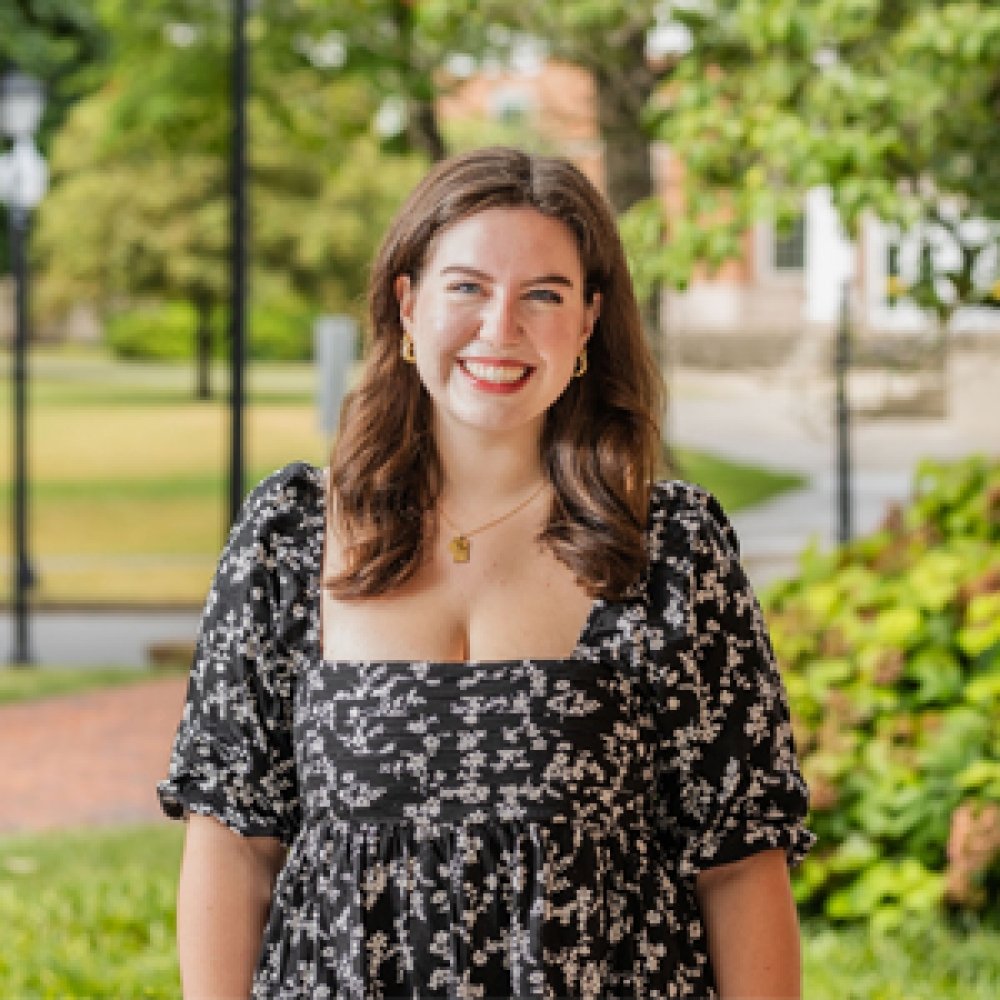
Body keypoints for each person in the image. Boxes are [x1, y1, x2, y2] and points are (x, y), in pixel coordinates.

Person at [158, 145, 813, 999]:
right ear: (407, 305)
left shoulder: (673, 551)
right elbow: (233, 844)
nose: (500, 328)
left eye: (543, 295)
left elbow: (738, 864)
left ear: (586, 324)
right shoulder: (288, 537)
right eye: (467, 287)